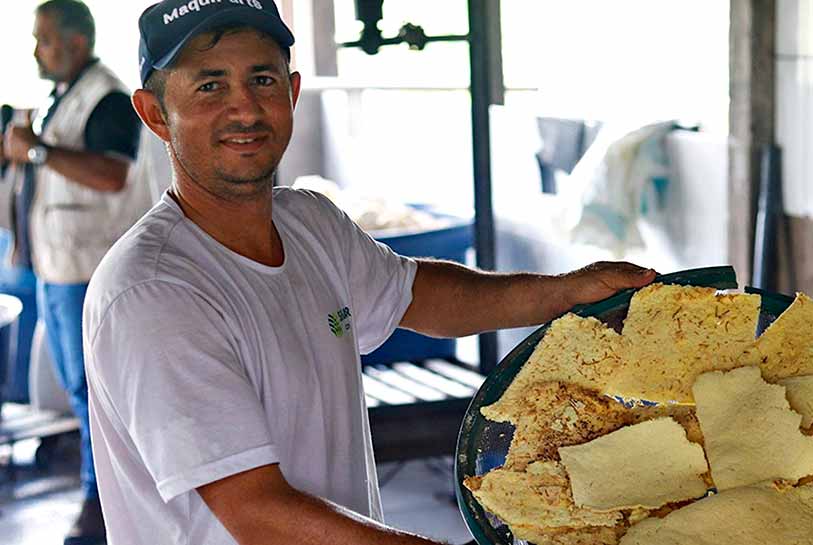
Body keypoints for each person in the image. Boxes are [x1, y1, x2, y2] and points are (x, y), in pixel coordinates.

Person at [83, 1, 657, 544]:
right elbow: (257, 515)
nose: (245, 109)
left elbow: (421, 295)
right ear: (155, 113)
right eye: (210, 86)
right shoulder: (154, 292)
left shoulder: (307, 221)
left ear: (293, 91)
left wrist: (567, 291)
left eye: (263, 79)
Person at [1, 1, 152, 543]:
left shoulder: (108, 97)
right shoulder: (60, 96)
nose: (36, 50)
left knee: (96, 389)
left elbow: (113, 175)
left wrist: (38, 151)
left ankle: (102, 502)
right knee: (78, 385)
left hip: (90, 269)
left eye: (43, 38)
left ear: (77, 42)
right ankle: (103, 494)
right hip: (57, 264)